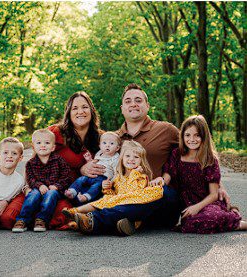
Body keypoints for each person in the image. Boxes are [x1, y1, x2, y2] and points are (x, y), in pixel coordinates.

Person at [77, 83, 231, 235]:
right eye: (128, 101)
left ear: (147, 106)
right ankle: (129, 222)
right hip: (128, 198)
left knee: (158, 191)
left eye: (138, 100)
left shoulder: (166, 130)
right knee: (116, 195)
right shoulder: (113, 140)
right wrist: (84, 168)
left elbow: (199, 150)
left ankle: (94, 220)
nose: (133, 104)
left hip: (163, 201)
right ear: (122, 108)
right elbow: (98, 163)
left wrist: (219, 185)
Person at [0, 91, 101, 230]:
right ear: (68, 113)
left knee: (61, 217)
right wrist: (26, 187)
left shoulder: (101, 138)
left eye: (84, 107)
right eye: (75, 108)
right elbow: (32, 163)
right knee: (8, 219)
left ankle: (40, 217)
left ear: (91, 110)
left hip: (64, 192)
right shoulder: (55, 133)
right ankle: (31, 214)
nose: (80, 112)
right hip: (38, 186)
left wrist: (83, 171)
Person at [162, 115, 246, 233]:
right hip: (187, 202)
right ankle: (228, 217)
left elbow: (213, 194)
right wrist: (159, 181)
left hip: (208, 202)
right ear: (182, 136)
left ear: (204, 137)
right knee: (190, 223)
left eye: (197, 135)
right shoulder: (177, 154)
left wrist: (197, 207)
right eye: (188, 135)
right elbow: (167, 176)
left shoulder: (209, 159)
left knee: (209, 218)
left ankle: (239, 224)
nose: (192, 139)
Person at [63, 140, 163, 224]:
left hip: (127, 209)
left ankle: (80, 215)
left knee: (107, 206)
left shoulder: (141, 177)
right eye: (128, 156)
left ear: (141, 161)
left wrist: (134, 174)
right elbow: (112, 194)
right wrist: (107, 188)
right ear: (122, 158)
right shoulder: (118, 177)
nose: (131, 159)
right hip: (115, 205)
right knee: (104, 201)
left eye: (136, 157)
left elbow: (132, 194)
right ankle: (76, 215)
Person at [12, 129, 72, 232]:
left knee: (51, 194)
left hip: (54, 189)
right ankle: (23, 219)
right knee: (33, 195)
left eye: (47, 143)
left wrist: (57, 186)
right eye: (39, 143)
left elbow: (66, 176)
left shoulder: (59, 160)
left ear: (53, 147)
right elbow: (30, 179)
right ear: (33, 147)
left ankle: (42, 219)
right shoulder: (31, 163)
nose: (43, 145)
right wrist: (39, 185)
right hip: (37, 188)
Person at [64, 131, 120, 205]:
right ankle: (72, 191)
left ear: (117, 148)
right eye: (104, 143)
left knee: (96, 187)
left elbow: (117, 173)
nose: (107, 146)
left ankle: (86, 196)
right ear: (100, 146)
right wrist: (89, 160)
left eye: (111, 143)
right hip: (91, 175)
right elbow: (94, 163)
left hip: (103, 178)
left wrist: (110, 182)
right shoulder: (99, 153)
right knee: (81, 179)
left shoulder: (116, 158)